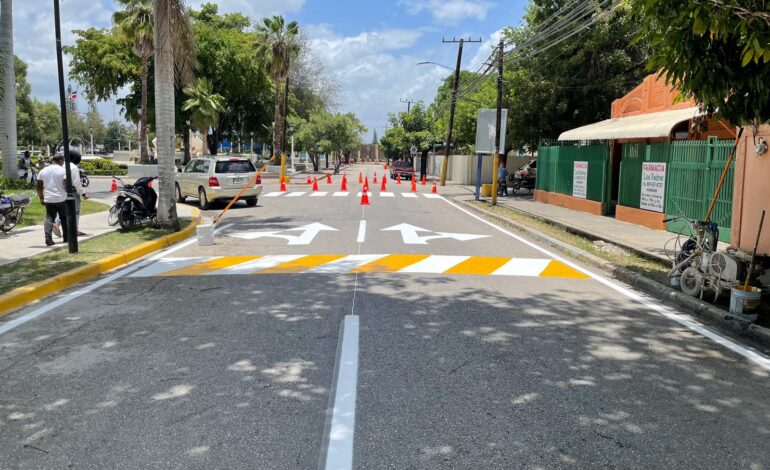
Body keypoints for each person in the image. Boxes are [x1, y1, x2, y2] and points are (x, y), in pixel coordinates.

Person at [36, 154, 68, 246]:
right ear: (61, 161)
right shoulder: (64, 170)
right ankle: (66, 238)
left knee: (49, 218)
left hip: (49, 199)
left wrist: (41, 198)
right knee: (64, 217)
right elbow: (66, 184)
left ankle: (48, 238)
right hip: (61, 198)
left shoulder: (43, 171)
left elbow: (38, 186)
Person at [68, 150, 89, 236]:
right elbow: (76, 183)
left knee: (65, 210)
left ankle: (58, 225)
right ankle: (74, 230)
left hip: (62, 191)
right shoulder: (73, 167)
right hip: (72, 191)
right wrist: (83, 194)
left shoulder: (62, 165)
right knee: (75, 211)